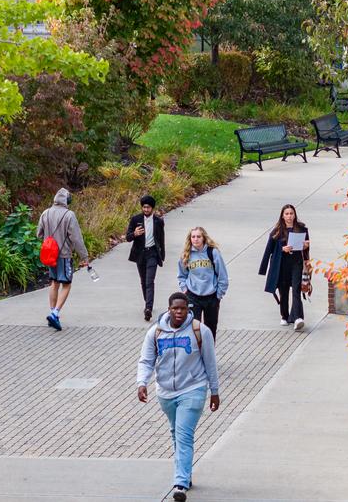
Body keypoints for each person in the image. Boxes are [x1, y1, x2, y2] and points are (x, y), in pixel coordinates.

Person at [136, 292, 221, 502]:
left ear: (188, 309)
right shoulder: (155, 333)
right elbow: (146, 361)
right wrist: (142, 382)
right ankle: (186, 474)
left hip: (193, 388)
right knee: (176, 433)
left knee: (183, 434)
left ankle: (180, 483)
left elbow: (210, 362)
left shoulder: (200, 331)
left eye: (183, 308)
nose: (179, 312)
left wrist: (215, 391)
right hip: (165, 392)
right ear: (169, 309)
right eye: (175, 308)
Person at [35, 188, 89, 331]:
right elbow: (76, 238)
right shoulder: (69, 215)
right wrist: (84, 256)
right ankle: (55, 313)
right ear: (67, 200)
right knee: (66, 283)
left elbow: (38, 234)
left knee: (54, 282)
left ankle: (53, 312)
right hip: (64, 255)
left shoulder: (45, 213)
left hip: (49, 255)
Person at [258, 204, 312, 331]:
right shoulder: (276, 231)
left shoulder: (302, 229)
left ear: (295, 215)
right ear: (282, 216)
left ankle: (298, 318)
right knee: (284, 291)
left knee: (296, 290)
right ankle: (284, 316)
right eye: (286, 213)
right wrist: (282, 249)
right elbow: (269, 250)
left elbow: (307, 246)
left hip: (297, 263)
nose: (289, 216)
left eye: (291, 213)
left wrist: (305, 247)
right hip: (281, 264)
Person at [177, 227, 228, 337]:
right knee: (194, 329)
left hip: (211, 297)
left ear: (203, 238)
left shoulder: (212, 252)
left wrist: (219, 294)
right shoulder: (186, 255)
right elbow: (182, 275)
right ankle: (196, 353)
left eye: (198, 236)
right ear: (190, 239)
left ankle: (209, 353)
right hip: (193, 296)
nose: (196, 239)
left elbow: (222, 276)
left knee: (210, 329)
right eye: (193, 237)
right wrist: (185, 289)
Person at [126, 194, 165, 322]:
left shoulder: (158, 221)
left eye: (148, 207)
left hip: (152, 253)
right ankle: (147, 301)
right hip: (140, 254)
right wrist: (135, 234)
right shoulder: (135, 219)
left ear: (152, 208)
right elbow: (128, 237)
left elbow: (161, 239)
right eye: (144, 207)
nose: (146, 210)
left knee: (150, 281)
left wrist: (162, 255)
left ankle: (148, 308)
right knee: (143, 280)